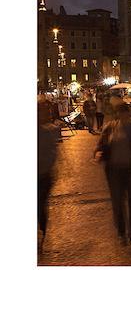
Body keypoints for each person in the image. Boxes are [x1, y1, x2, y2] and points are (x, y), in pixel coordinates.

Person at [95, 103, 131, 245]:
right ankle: (121, 232)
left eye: (126, 112)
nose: (123, 115)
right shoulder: (109, 128)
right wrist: (98, 153)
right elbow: (100, 145)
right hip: (114, 171)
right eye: (121, 112)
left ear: (129, 113)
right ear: (117, 114)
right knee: (118, 203)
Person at [38, 99, 60, 247]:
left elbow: (52, 153)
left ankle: (42, 231)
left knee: (39, 204)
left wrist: (45, 167)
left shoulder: (46, 132)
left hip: (43, 175)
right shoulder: (46, 131)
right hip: (43, 174)